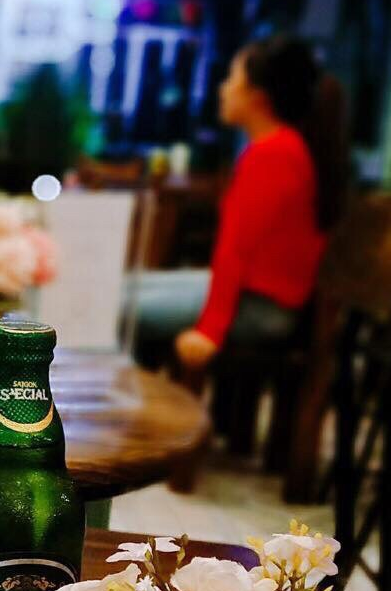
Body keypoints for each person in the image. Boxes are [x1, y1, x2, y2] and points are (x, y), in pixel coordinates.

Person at [127, 34, 347, 371]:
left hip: (263, 308)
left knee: (120, 308)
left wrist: (210, 331)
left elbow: (235, 251)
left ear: (257, 98)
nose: (223, 89)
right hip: (257, 297)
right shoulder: (280, 148)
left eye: (232, 79)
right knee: (124, 290)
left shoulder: (274, 154)